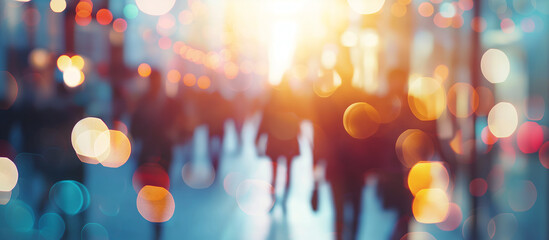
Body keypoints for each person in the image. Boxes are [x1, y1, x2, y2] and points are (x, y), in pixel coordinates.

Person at [256, 79, 303, 213]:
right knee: (288, 172)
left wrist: (258, 138)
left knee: (274, 172)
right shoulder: (293, 100)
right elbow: (299, 120)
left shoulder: (272, 101)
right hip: (289, 143)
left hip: (275, 142)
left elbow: (264, 120)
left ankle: (273, 198)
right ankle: (284, 199)